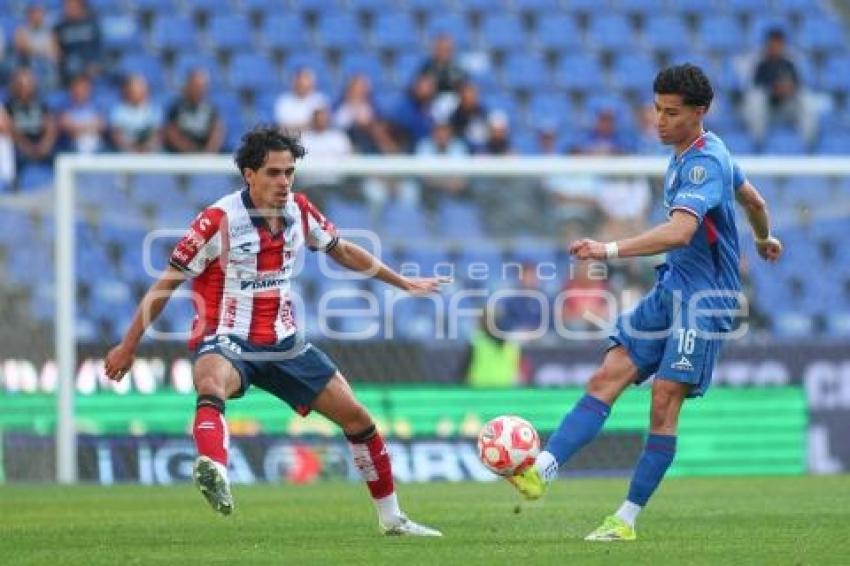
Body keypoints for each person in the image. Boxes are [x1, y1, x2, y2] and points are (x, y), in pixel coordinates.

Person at [103, 126, 444, 536]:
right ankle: (215, 469)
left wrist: (402, 282)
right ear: (249, 174)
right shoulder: (217, 220)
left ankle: (392, 519)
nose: (284, 181)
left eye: (289, 172)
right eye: (273, 173)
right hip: (226, 336)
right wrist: (128, 345)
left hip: (282, 341)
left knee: (357, 417)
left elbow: (342, 249)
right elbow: (166, 284)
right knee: (211, 381)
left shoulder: (300, 210)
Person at [506, 64, 784, 541]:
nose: (660, 120)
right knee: (607, 374)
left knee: (663, 399)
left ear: (700, 112)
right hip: (673, 287)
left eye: (672, 112)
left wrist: (607, 250)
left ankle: (626, 519)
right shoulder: (693, 153)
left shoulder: (704, 162)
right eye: (657, 109)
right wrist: (763, 238)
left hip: (705, 300)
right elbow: (754, 201)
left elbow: (680, 232)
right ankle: (542, 470)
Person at [742, 27, 819, 146]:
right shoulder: (762, 65)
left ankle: (808, 144)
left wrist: (788, 89)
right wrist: (773, 89)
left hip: (787, 107)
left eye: (778, 44)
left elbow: (797, 86)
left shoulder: (788, 64)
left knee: (806, 101)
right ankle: (758, 143)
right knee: (756, 100)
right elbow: (755, 87)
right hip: (768, 109)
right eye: (772, 43)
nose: (775, 47)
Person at [163, 69, 224, 153]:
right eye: (196, 86)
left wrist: (208, 153)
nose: (199, 90)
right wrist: (191, 151)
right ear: (188, 85)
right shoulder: (176, 107)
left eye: (202, 87)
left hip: (205, 155)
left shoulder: (211, 109)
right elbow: (171, 132)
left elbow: (217, 131)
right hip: (180, 155)